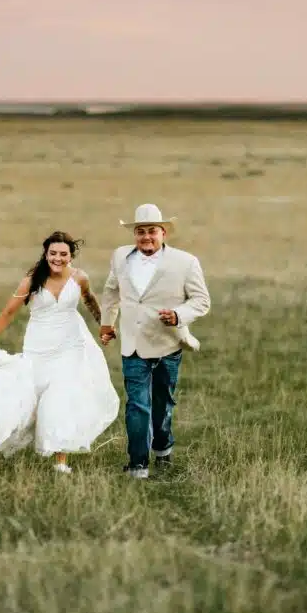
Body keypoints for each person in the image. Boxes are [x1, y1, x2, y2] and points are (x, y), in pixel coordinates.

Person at [0, 231, 120, 473]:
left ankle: (60, 461)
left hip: (70, 346)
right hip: (38, 348)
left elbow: (91, 301)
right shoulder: (32, 280)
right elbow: (8, 312)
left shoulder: (79, 278)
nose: (57, 258)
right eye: (53, 253)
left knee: (60, 398)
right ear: (46, 253)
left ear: (70, 256)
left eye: (63, 254)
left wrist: (104, 327)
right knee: (27, 402)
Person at [99, 203, 211, 479]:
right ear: (134, 234)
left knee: (162, 405)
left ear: (163, 233)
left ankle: (163, 449)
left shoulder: (185, 262)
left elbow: (201, 301)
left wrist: (177, 315)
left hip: (167, 345)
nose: (146, 237)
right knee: (137, 404)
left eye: (152, 231)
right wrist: (106, 324)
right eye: (140, 232)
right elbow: (112, 292)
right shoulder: (120, 257)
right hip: (133, 345)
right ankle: (138, 465)